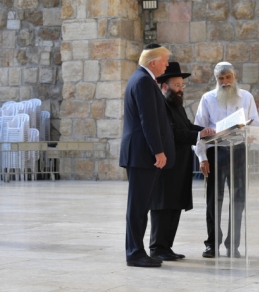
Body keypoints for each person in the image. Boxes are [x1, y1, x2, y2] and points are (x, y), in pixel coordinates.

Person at [149, 62, 215, 261]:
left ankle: (166, 247)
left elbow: (186, 126)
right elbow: (173, 133)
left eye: (181, 85)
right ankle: (157, 247)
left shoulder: (177, 106)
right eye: (176, 85)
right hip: (166, 167)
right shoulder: (160, 105)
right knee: (163, 207)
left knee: (175, 206)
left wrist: (207, 132)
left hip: (179, 167)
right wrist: (199, 134)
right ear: (165, 86)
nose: (180, 89)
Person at [194, 62, 259, 258]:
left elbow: (255, 124)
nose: (225, 82)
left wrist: (252, 135)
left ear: (234, 77)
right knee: (213, 201)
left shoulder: (246, 97)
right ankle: (212, 244)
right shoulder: (207, 98)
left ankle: (233, 244)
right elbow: (199, 129)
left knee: (238, 200)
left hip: (238, 152)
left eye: (228, 78)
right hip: (216, 153)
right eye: (221, 79)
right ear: (216, 80)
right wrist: (202, 157)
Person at [119, 44, 175, 268]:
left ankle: (137, 250)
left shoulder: (142, 78)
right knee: (138, 207)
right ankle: (134, 253)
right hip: (142, 154)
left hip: (141, 153)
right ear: (153, 62)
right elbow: (148, 120)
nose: (167, 64)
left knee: (140, 206)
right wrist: (158, 151)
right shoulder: (143, 80)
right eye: (164, 60)